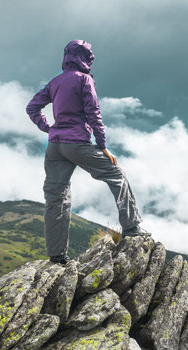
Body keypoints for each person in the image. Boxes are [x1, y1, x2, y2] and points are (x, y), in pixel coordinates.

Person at [26, 40, 150, 265]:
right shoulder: (85, 80)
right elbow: (94, 114)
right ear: (85, 56)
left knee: (56, 197)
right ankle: (132, 227)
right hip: (76, 143)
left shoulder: (55, 82)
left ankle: (57, 255)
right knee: (116, 174)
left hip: (54, 147)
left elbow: (31, 107)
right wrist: (102, 146)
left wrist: (49, 128)